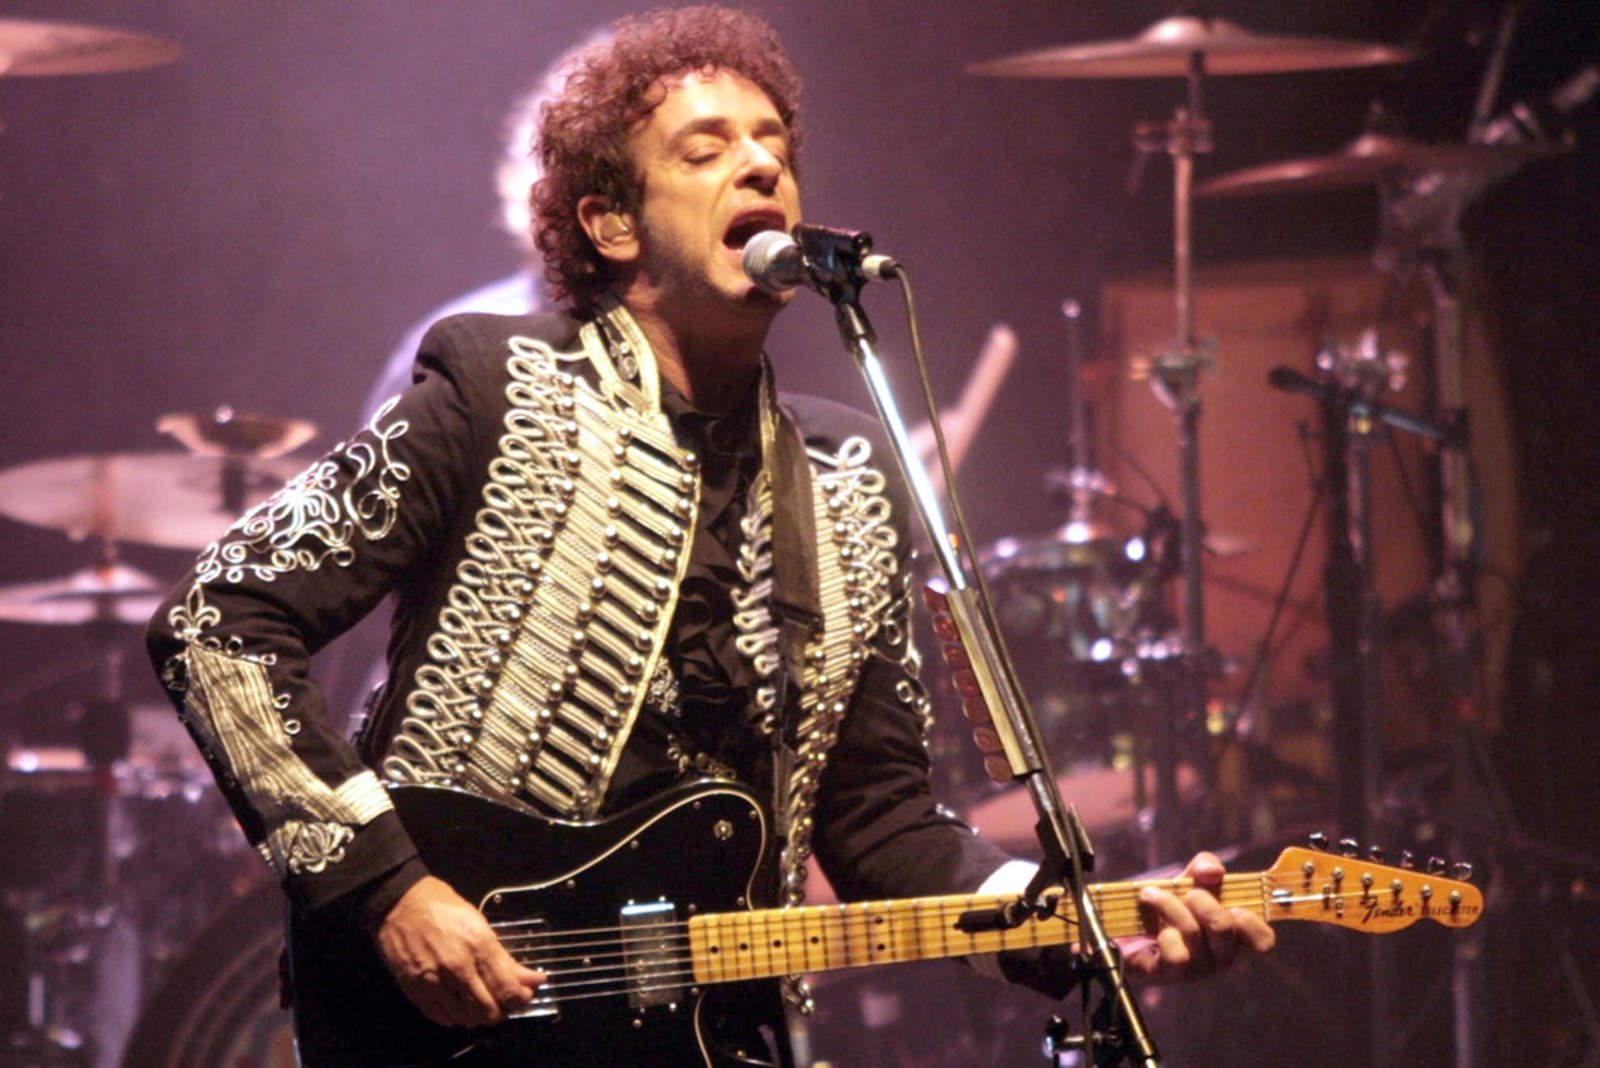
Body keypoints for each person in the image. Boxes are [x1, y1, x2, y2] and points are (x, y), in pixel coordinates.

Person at [145, 7, 1272, 1065]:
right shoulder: (494, 386)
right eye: (706, 148)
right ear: (611, 223)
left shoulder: (847, 472)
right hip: (454, 1024)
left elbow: (881, 822)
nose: (761, 164)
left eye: (774, 142)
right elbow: (217, 623)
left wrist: (1086, 929)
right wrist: (389, 890)